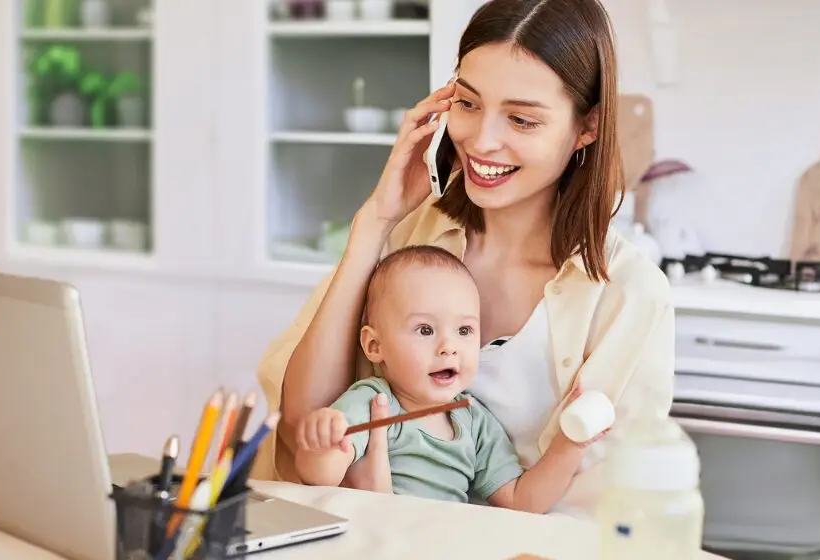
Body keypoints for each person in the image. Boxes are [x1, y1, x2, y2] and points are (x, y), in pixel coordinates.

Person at [253, 0, 674, 518]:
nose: (481, 140)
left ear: (587, 126)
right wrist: (375, 222)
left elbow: (616, 509)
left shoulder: (629, 295)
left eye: (521, 119)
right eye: (468, 104)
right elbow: (302, 429)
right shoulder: (408, 234)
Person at [292, 245, 604, 513]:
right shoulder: (374, 402)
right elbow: (322, 477)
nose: (448, 347)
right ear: (375, 345)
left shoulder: (474, 422)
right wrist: (321, 446)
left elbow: (521, 501)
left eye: (464, 331)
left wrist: (569, 446)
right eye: (425, 330)